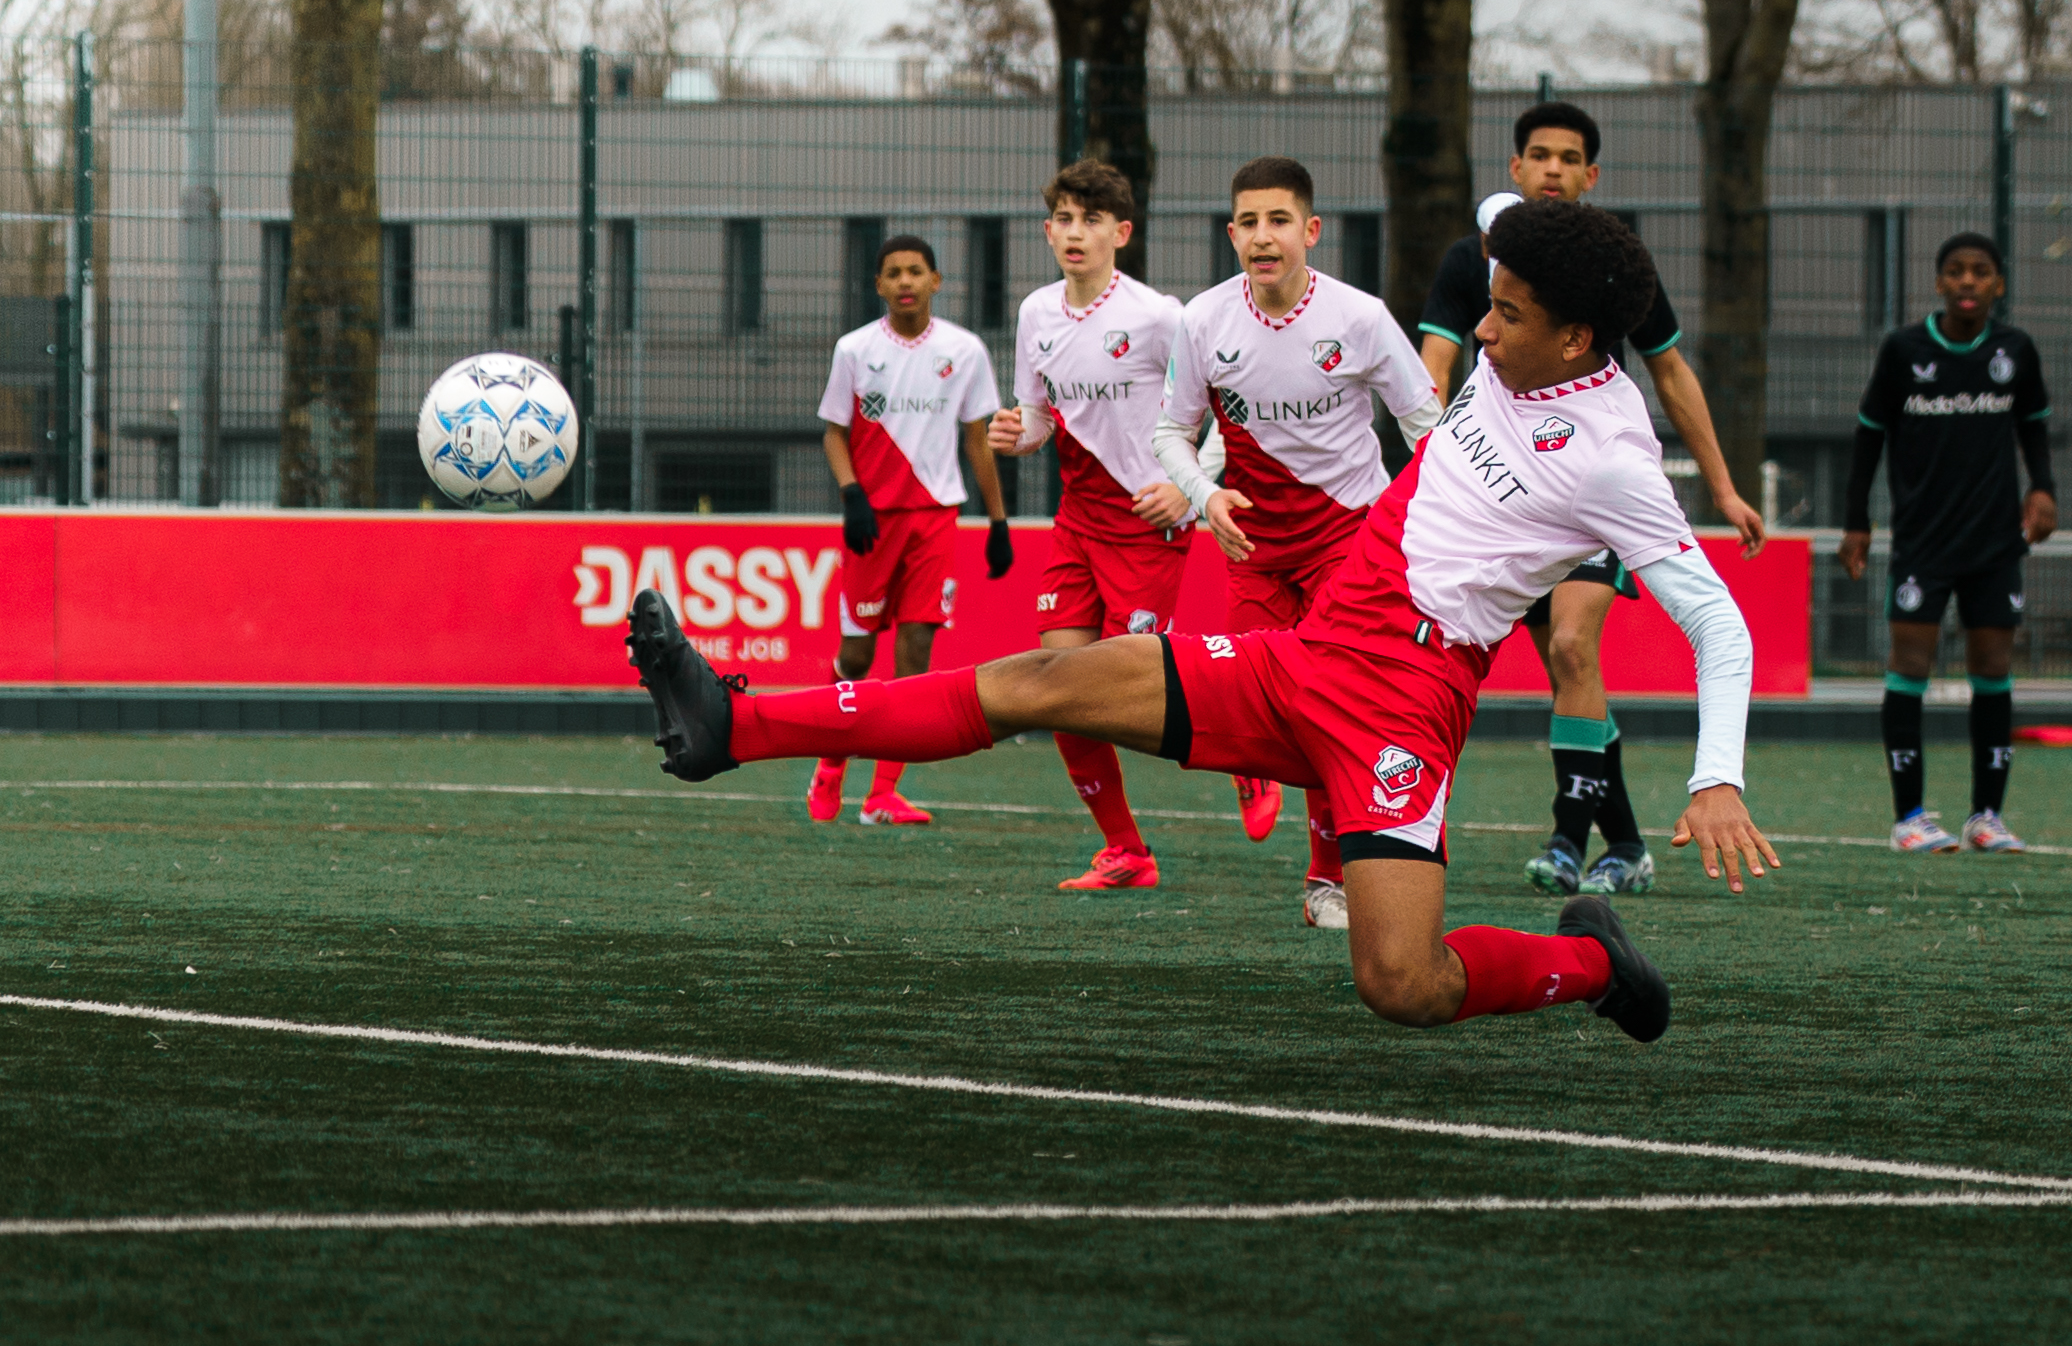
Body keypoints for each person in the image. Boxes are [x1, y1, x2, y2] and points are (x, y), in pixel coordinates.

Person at [627, 198, 1775, 1043]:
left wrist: (1713, 777)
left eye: (1508, 316)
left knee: (1402, 985)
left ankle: (1592, 962)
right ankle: (739, 727)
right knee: (1040, 678)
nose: (1479, 330)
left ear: (1577, 340)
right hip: (1304, 653)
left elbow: (1721, 628)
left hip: (1401, 706)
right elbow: (1510, 214)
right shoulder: (1524, 310)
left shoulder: (1615, 459)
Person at [1411, 101, 1768, 899]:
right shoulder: (1480, 257)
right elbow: (1435, 360)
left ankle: (1570, 837)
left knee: (1574, 648)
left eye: (1568, 159)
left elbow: (1671, 373)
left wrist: (1722, 485)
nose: (1552, 170)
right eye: (1538, 155)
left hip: (1581, 490)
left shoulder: (1614, 273)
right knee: (1559, 667)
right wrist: (1430, 448)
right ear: (1517, 168)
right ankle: (1628, 840)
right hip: (1504, 500)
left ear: (1588, 176)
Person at [1157, 156, 1444, 930]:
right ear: (1231, 234)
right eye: (1248, 221)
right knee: (1261, 711)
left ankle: (1329, 880)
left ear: (1310, 231)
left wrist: (1425, 528)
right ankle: (1255, 772)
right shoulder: (1203, 322)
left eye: (1279, 219)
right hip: (1252, 546)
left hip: (1350, 543)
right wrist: (1206, 493)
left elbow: (1427, 430)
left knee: (1334, 706)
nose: (1263, 235)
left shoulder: (1359, 317)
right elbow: (1170, 434)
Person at [985, 160, 1193, 891]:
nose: (1076, 232)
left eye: (1092, 219)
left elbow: (1225, 409)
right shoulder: (1036, 312)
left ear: (1121, 232)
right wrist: (1018, 431)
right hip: (1077, 521)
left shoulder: (1160, 317)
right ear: (1048, 231)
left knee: (1133, 690)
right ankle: (1127, 850)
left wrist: (1186, 489)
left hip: (1147, 522)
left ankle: (1242, 758)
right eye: (1065, 219)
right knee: (1060, 686)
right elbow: (1040, 416)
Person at [1837, 231, 2057, 854]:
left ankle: (1986, 816)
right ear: (1938, 283)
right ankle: (1909, 817)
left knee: (1993, 671)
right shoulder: (1904, 350)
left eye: (1980, 272)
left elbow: (2034, 428)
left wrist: (2043, 489)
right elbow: (1868, 438)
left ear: (1998, 285)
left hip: (1995, 543)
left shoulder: (2015, 350)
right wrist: (1857, 521)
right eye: (1955, 271)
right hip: (1922, 543)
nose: (1967, 282)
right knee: (1910, 668)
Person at [809, 234, 1013, 826]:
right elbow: (833, 432)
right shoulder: (854, 349)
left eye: (915, 271)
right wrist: (852, 495)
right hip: (872, 522)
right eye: (893, 272)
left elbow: (978, 440)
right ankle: (829, 768)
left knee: (918, 646)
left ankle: (882, 794)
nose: (905, 281)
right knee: (858, 651)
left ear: (935, 281)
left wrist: (997, 521)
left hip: (935, 518)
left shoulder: (965, 350)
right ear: (879, 285)